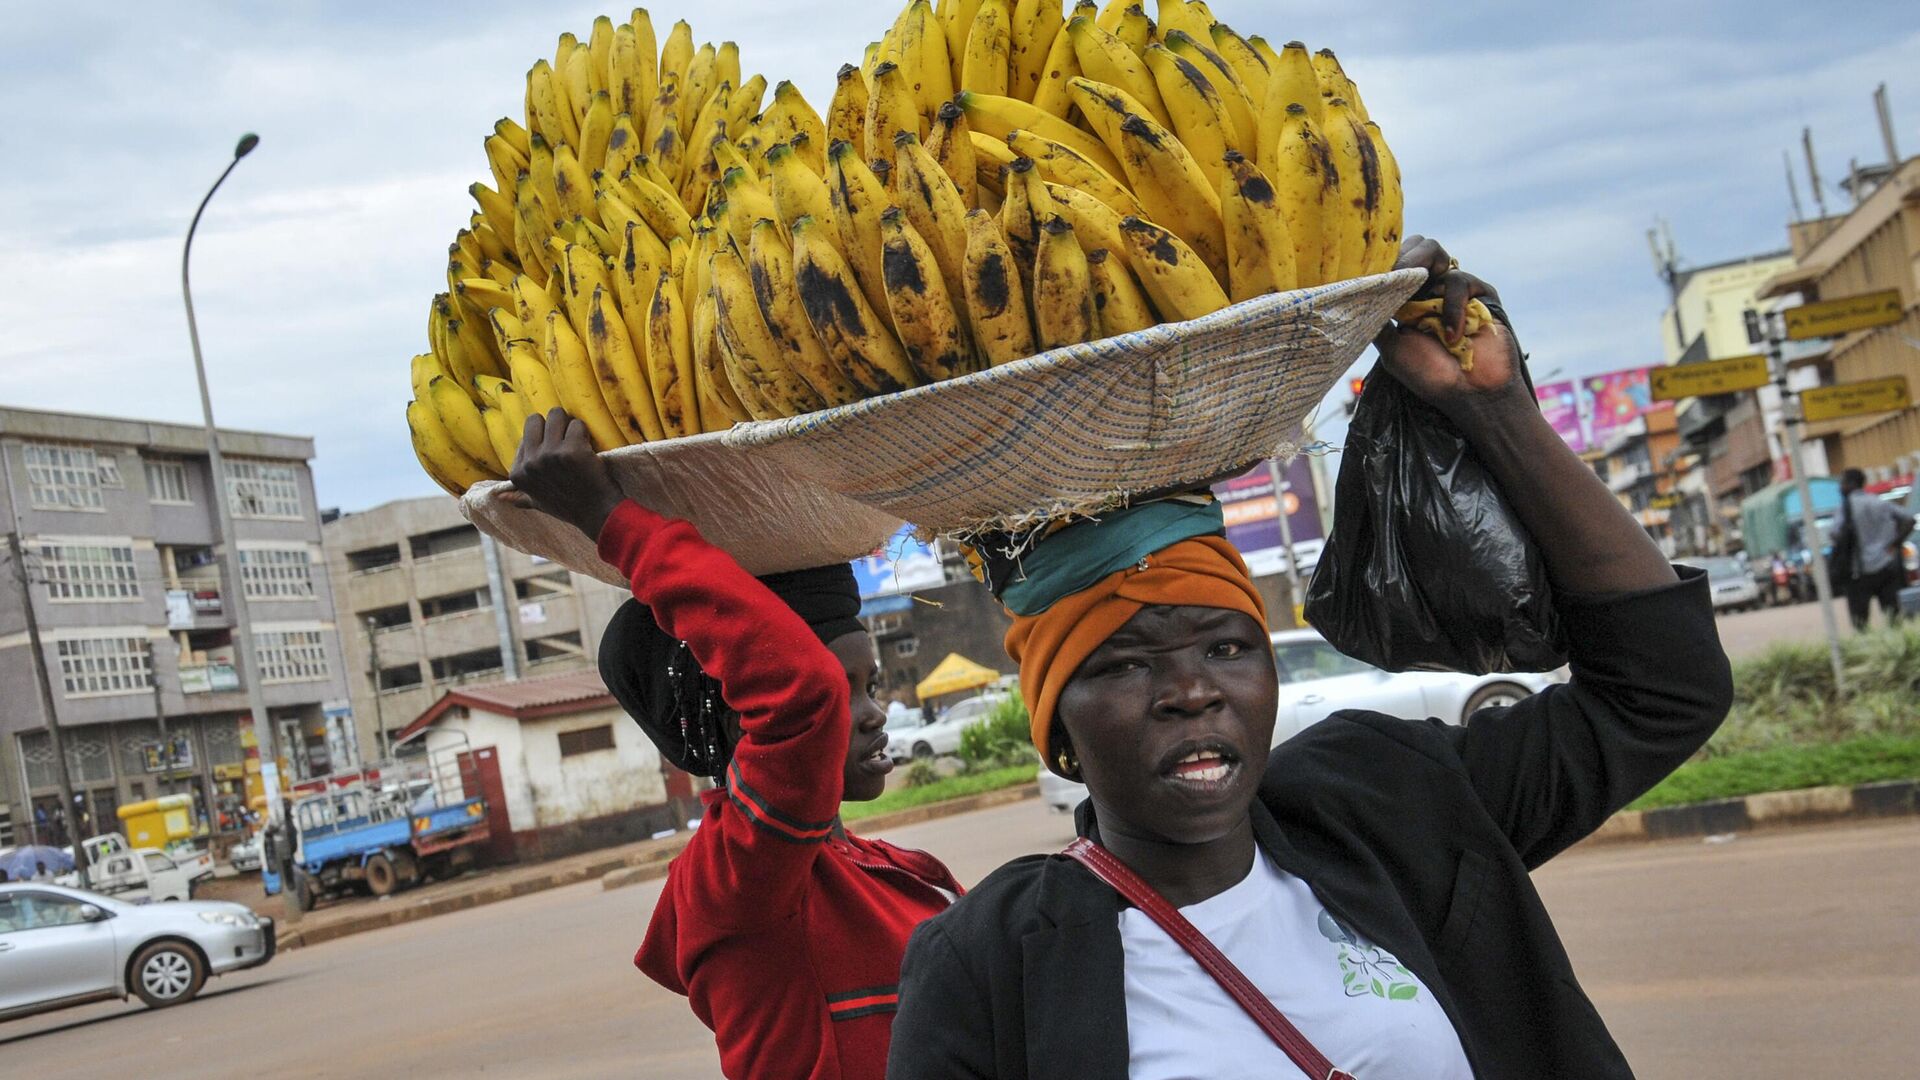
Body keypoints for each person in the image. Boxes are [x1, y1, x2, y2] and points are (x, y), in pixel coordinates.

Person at [887, 239, 1736, 1080]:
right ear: (1055, 722)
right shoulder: (988, 966)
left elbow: (1663, 690)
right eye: (1124, 665)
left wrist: (1495, 409)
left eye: (1226, 648)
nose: (1191, 691)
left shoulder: (1388, 803)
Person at [507, 411, 962, 1080]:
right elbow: (802, 696)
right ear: (737, 716)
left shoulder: (905, 871)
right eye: (845, 692)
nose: (871, 714)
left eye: (870, 685)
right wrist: (608, 518)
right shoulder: (737, 882)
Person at [1837, 468, 1914, 631]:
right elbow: (1909, 520)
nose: (1840, 487)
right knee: (1893, 618)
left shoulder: (1847, 507)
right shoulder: (1879, 502)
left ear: (1851, 484)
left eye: (1842, 483)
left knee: (1860, 623)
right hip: (1886, 565)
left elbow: (1834, 533)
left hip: (1859, 571)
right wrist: (1894, 544)